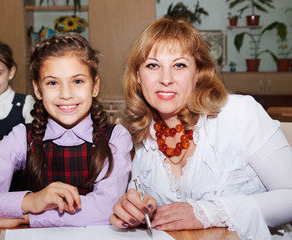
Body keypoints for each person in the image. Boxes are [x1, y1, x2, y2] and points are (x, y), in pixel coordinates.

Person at [109, 18, 292, 240]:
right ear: (138, 76)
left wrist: (206, 212)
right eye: (153, 65)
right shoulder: (141, 134)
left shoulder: (240, 113)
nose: (165, 79)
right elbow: (138, 198)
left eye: (179, 65)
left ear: (198, 73)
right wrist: (130, 209)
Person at [0, 33, 133, 228]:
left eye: (77, 81)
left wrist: (27, 217)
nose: (66, 94)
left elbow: (107, 207)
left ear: (94, 86)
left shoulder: (116, 137)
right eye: (52, 83)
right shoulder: (22, 136)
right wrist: (30, 201)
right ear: (38, 90)